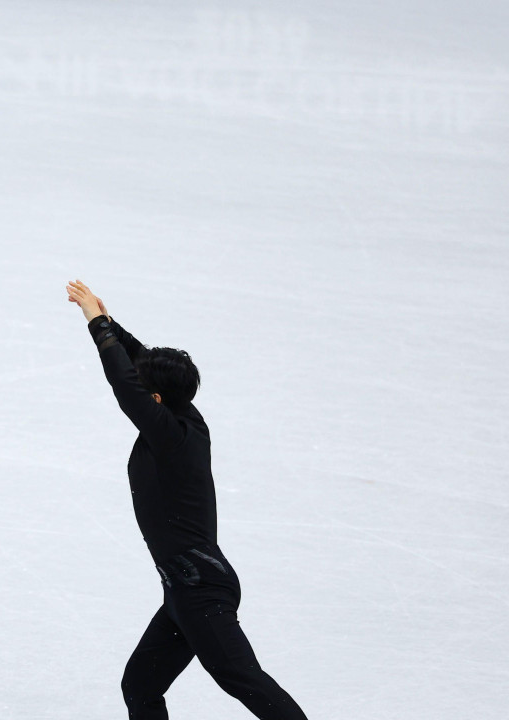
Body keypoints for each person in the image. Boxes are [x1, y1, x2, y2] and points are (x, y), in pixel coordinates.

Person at [66, 280, 309, 720]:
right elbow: (141, 362)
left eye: (146, 390)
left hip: (200, 590)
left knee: (243, 679)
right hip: (184, 588)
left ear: (155, 400)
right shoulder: (183, 415)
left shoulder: (169, 436)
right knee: (140, 685)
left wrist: (96, 327)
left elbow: (125, 383)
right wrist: (109, 320)